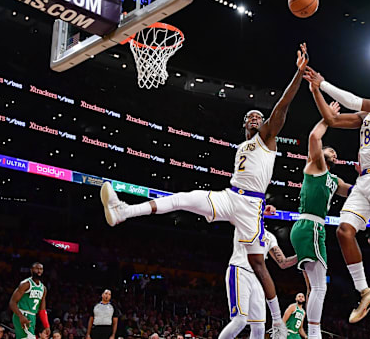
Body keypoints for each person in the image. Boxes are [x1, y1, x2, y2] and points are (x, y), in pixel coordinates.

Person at [100, 44, 310, 339]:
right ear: (243, 125)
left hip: (250, 206)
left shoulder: (267, 139)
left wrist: (298, 75)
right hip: (231, 196)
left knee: (260, 265)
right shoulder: (242, 147)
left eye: (258, 116)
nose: (254, 117)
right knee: (185, 199)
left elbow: (282, 108)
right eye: (249, 116)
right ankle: (124, 211)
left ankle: (277, 322)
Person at [304, 68, 370, 329]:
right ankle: (365, 293)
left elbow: (352, 100)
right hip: (364, 180)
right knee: (344, 231)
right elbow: (331, 119)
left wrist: (323, 81)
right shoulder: (367, 117)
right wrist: (316, 91)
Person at [289, 97, 353, 339]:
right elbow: (314, 138)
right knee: (319, 286)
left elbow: (351, 191)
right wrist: (329, 118)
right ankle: (314, 333)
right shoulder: (315, 166)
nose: (333, 153)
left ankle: (314, 332)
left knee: (318, 286)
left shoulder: (334, 180)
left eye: (335, 153)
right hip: (309, 225)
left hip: (314, 228)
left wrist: (368, 179)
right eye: (330, 150)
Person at [219, 229, 297, 339]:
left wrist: (303, 254)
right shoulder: (243, 221)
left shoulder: (270, 236)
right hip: (240, 270)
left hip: (258, 278)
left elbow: (283, 263)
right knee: (240, 320)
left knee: (259, 326)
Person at [9, 263, 50, 339]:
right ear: (31, 270)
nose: (39, 271)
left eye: (41, 269)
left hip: (32, 316)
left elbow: (42, 310)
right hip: (22, 314)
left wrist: (46, 325)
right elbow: (12, 302)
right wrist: (21, 316)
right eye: (36, 269)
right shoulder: (26, 284)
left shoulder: (43, 288)